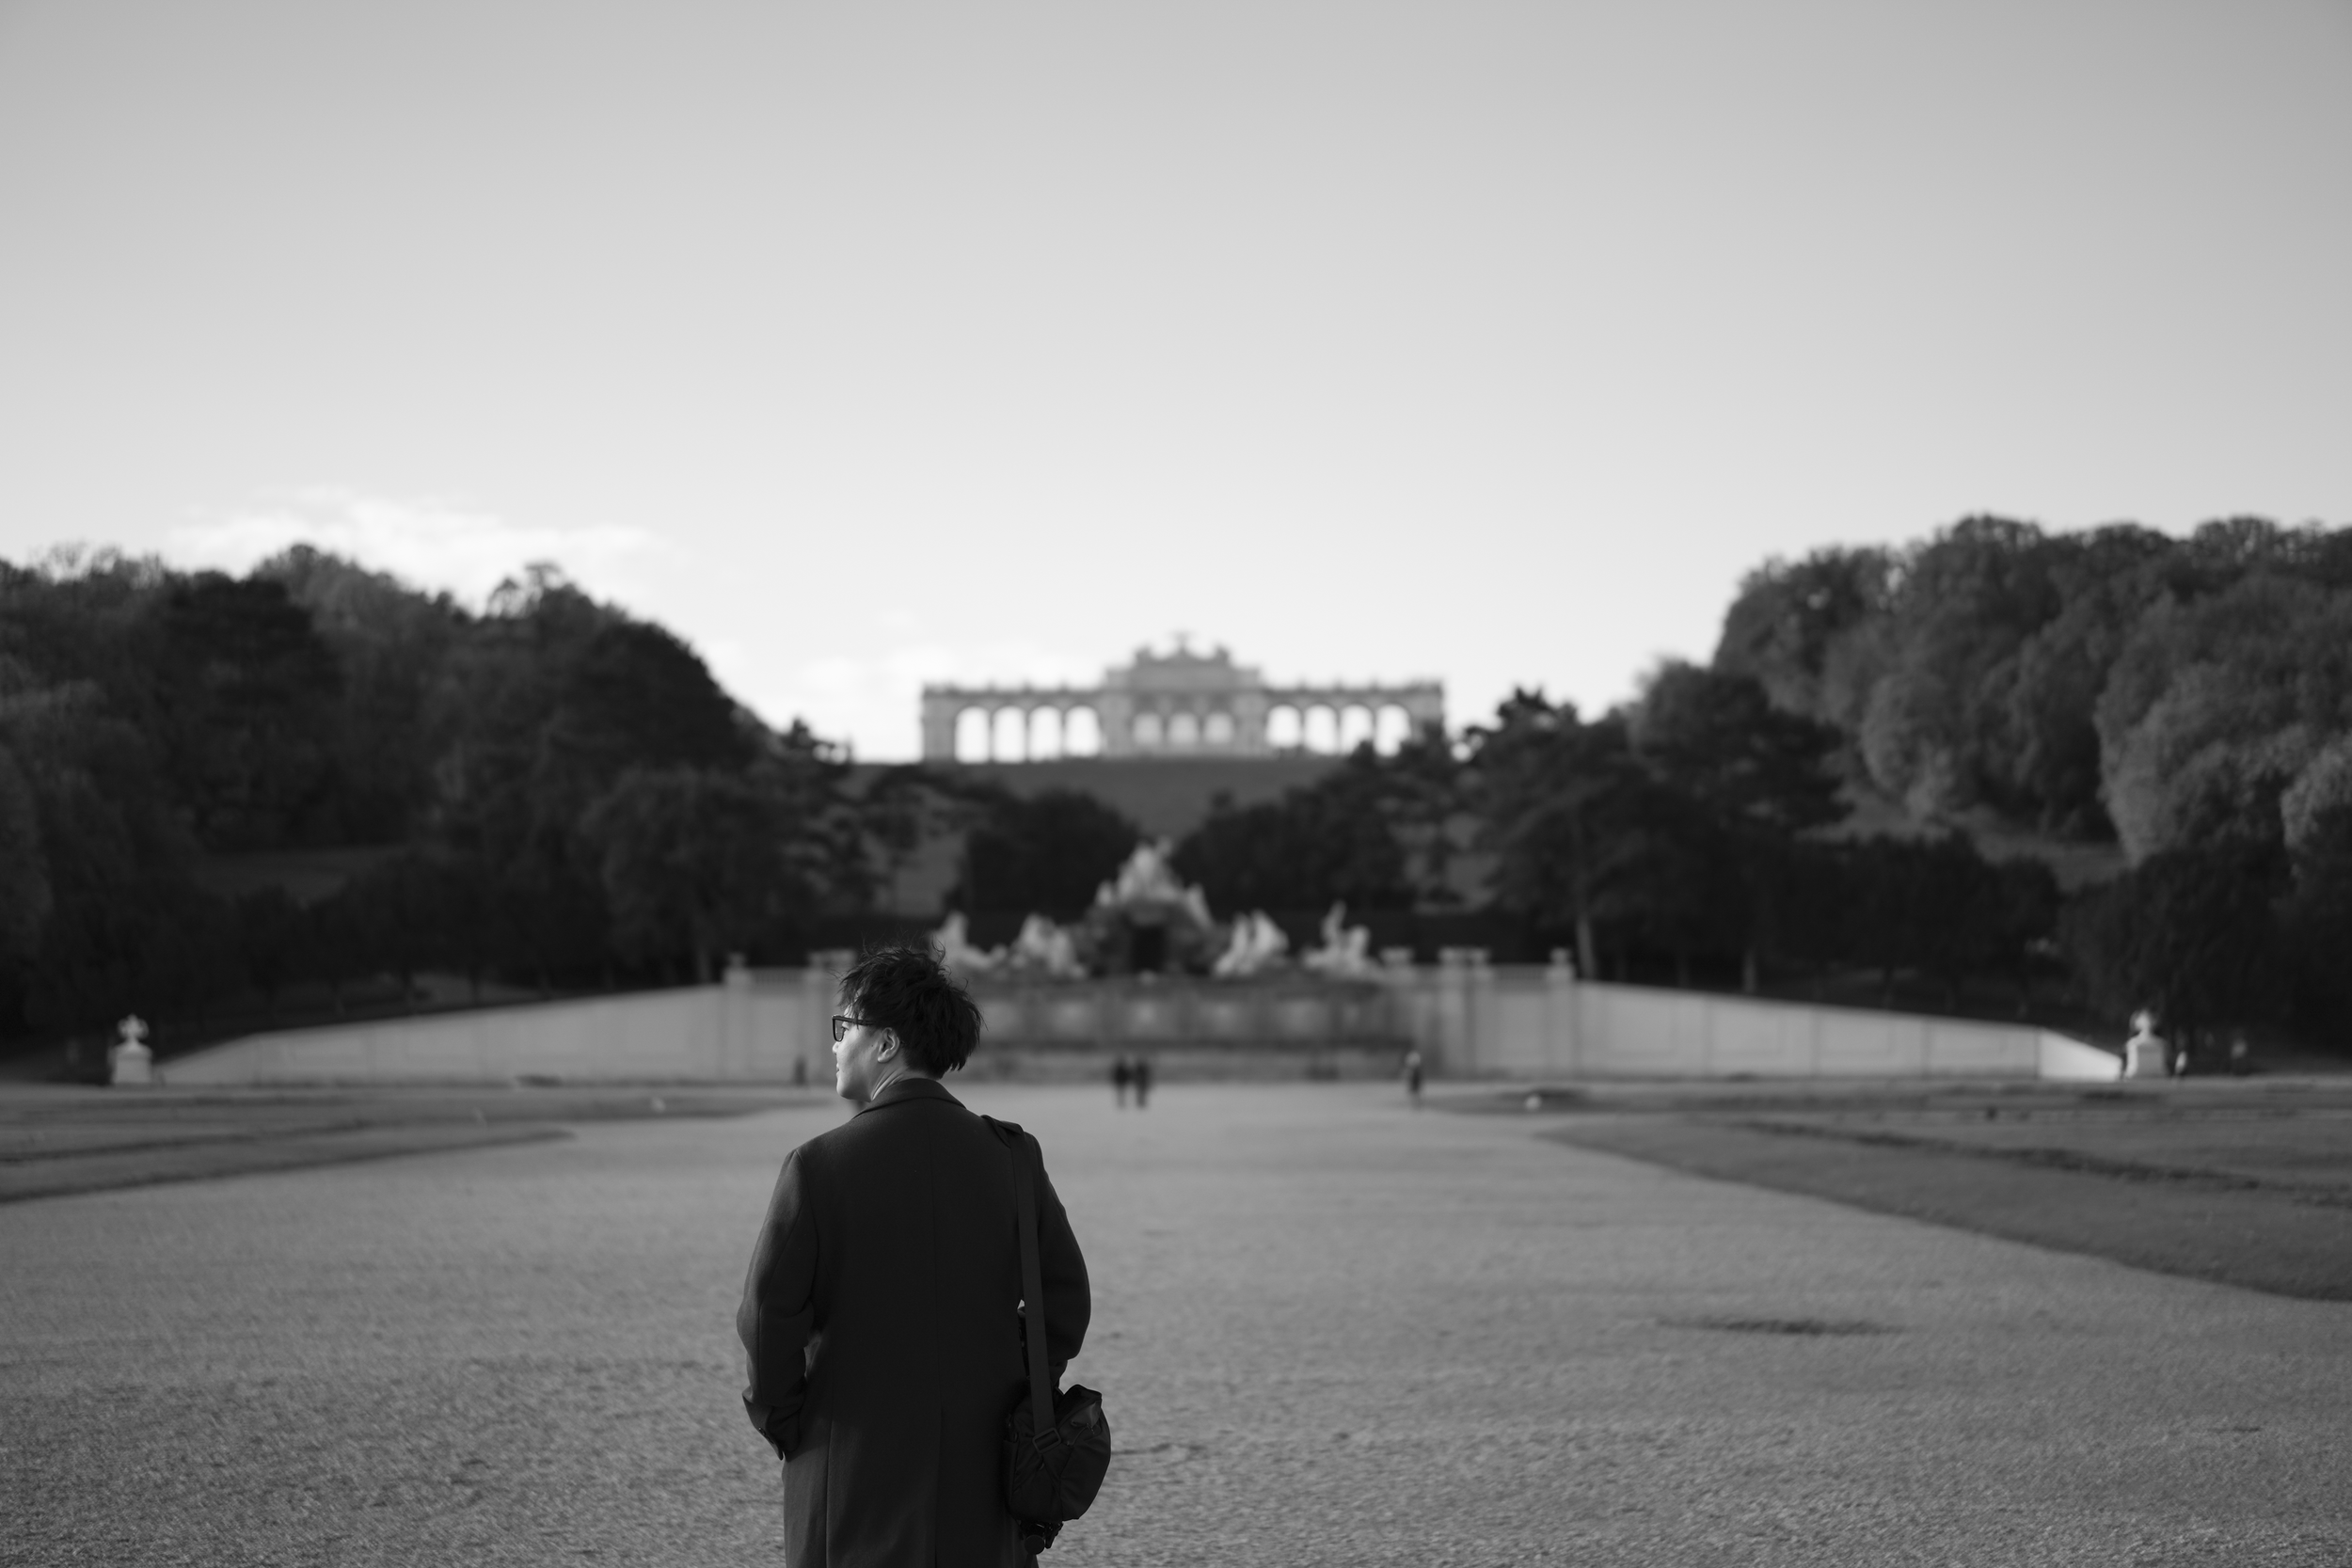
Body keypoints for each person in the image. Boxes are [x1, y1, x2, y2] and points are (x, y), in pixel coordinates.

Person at [738, 944, 1090, 1567]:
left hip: (847, 1471)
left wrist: (788, 1421)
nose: (835, 1043)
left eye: (844, 1026)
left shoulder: (817, 1166)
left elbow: (767, 1318)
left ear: (885, 1044)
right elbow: (1066, 1302)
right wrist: (1009, 1381)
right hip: (983, 1472)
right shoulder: (1013, 1158)